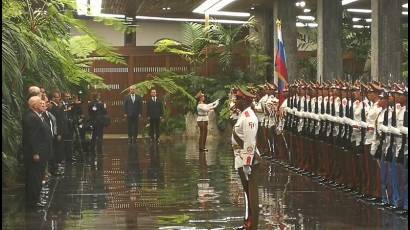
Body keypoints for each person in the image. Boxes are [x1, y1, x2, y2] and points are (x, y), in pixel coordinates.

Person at [231, 87, 260, 230]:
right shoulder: (244, 114)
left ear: (245, 101)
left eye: (238, 99)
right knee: (247, 193)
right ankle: (247, 222)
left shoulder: (249, 117)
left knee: (250, 194)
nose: (236, 101)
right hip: (240, 158)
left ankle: (250, 224)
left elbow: (249, 142)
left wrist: (247, 163)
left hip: (247, 161)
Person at [22, 96, 53, 209]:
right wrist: (35, 152)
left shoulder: (38, 115)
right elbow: (32, 137)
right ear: (34, 105)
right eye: (41, 103)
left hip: (43, 152)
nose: (43, 105)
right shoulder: (31, 117)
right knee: (34, 178)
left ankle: (35, 200)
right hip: (36, 154)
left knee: (38, 177)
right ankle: (32, 202)